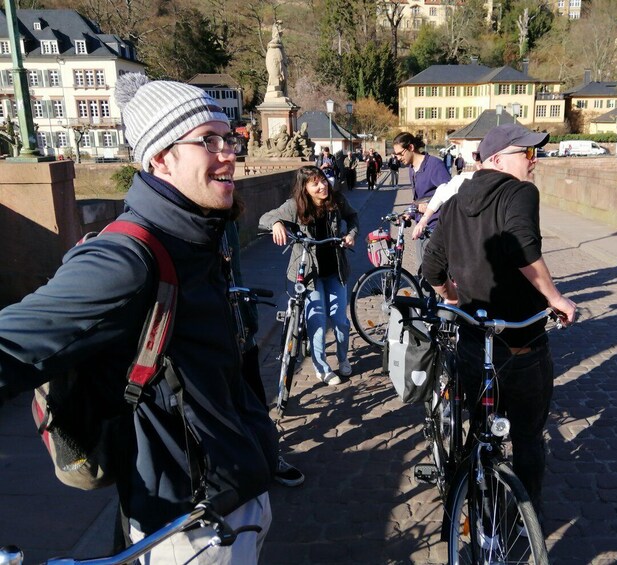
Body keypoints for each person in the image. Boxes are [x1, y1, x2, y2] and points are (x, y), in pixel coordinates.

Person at [0, 73, 278, 563]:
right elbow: (11, 345)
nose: (229, 152)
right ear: (159, 158)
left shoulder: (200, 235)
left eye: (228, 137)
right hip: (189, 527)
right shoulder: (127, 258)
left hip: (237, 495)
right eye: (207, 141)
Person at [422, 123, 577, 522]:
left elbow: (431, 267)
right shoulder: (520, 192)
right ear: (495, 160)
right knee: (526, 437)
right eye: (525, 154)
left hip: (475, 341)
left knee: (480, 431)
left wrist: (453, 297)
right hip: (521, 343)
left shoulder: (456, 200)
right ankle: (525, 521)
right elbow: (522, 245)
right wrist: (555, 298)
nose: (533, 161)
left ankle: (474, 510)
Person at [259, 166, 359, 385]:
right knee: (318, 322)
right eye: (315, 183)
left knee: (341, 321)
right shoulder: (295, 206)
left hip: (335, 270)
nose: (322, 186)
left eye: (322, 180)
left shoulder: (336, 200)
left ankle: (343, 359)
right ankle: (321, 367)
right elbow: (265, 217)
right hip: (310, 275)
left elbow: (353, 217)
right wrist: (276, 223)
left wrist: (351, 235)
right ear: (305, 188)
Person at [224, 220, 305, 487]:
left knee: (255, 400)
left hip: (239, 327)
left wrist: (248, 318)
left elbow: (235, 273)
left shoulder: (226, 217)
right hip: (204, 336)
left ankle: (269, 458)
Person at [392, 132, 450, 256]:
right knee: (421, 271)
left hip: (436, 228)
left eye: (399, 154)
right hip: (421, 227)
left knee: (432, 273)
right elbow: (419, 199)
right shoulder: (412, 169)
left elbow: (450, 195)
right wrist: (409, 213)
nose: (397, 158)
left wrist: (429, 205)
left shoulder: (435, 165)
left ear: (411, 148)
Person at [412, 149, 482, 240]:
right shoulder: (467, 178)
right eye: (477, 159)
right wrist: (423, 220)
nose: (477, 164)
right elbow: (442, 192)